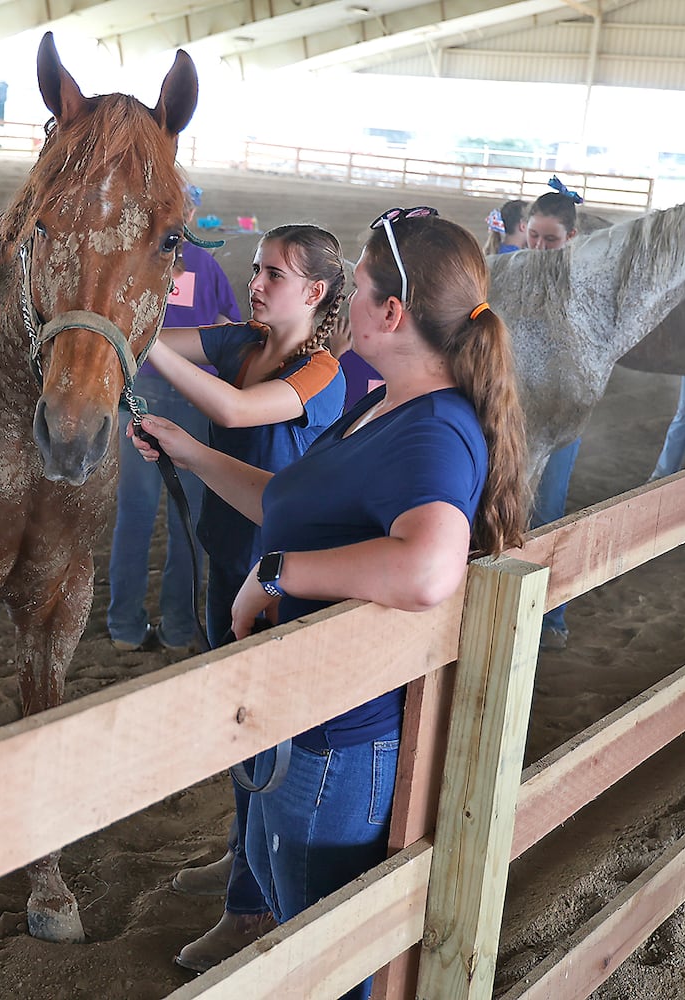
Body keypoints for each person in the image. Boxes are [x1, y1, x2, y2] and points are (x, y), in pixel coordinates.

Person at [133, 207, 530, 1000]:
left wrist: (279, 573)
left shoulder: (432, 430)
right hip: (313, 723)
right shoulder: (386, 405)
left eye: (361, 292)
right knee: (304, 932)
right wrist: (192, 452)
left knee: (321, 957)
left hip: (336, 740)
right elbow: (288, 498)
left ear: (392, 313)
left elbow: (427, 567)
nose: (343, 305)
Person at [146, 224, 346, 972]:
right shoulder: (239, 340)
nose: (254, 282)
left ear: (316, 293)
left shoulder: (322, 373)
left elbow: (232, 411)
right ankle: (242, 858)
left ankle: (250, 905)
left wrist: (141, 340)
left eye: (272, 274)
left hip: (275, 582)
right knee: (238, 728)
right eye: (255, 269)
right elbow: (167, 346)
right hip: (225, 555)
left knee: (263, 734)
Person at [107, 240, 240, 655]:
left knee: (134, 514)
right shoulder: (205, 264)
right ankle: (180, 626)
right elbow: (225, 326)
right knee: (189, 519)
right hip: (194, 395)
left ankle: (124, 626)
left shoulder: (128, 254)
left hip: (140, 394)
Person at [524, 182, 584, 649]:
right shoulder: (512, 273)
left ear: (572, 237)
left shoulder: (580, 288)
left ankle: (552, 617)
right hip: (511, 412)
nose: (540, 247)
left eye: (551, 239)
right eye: (534, 237)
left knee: (548, 509)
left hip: (558, 415)